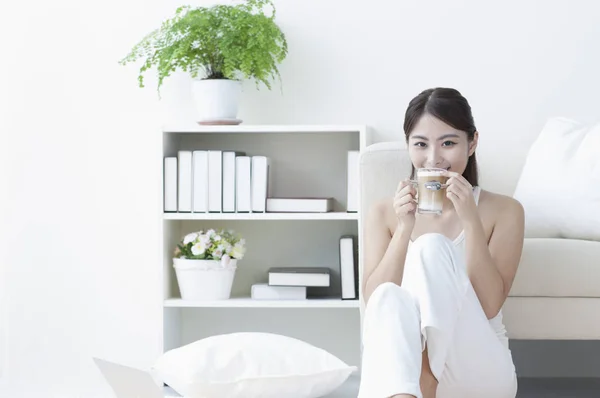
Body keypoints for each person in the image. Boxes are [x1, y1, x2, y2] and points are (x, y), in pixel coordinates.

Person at [357, 87, 525, 398]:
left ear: (472, 142)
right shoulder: (384, 212)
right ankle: (413, 387)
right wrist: (405, 228)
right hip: (403, 376)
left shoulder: (505, 211)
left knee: (431, 247)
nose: (433, 158)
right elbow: (375, 305)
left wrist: (470, 219)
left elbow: (489, 306)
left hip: (476, 369)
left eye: (448, 143)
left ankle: (427, 379)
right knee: (390, 299)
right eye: (421, 144)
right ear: (408, 146)